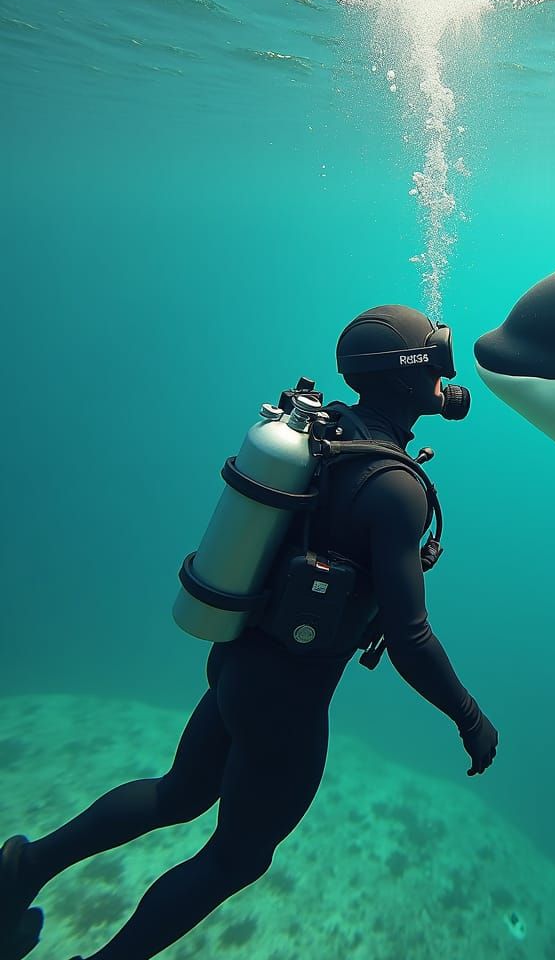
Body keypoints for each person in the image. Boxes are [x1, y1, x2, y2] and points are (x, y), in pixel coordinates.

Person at [0, 304, 499, 960]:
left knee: (177, 793)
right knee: (236, 860)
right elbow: (410, 638)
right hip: (288, 700)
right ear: (407, 375)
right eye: (436, 364)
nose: (446, 379)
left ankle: (20, 871)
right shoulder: (395, 488)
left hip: (237, 661)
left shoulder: (324, 433)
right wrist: (470, 718)